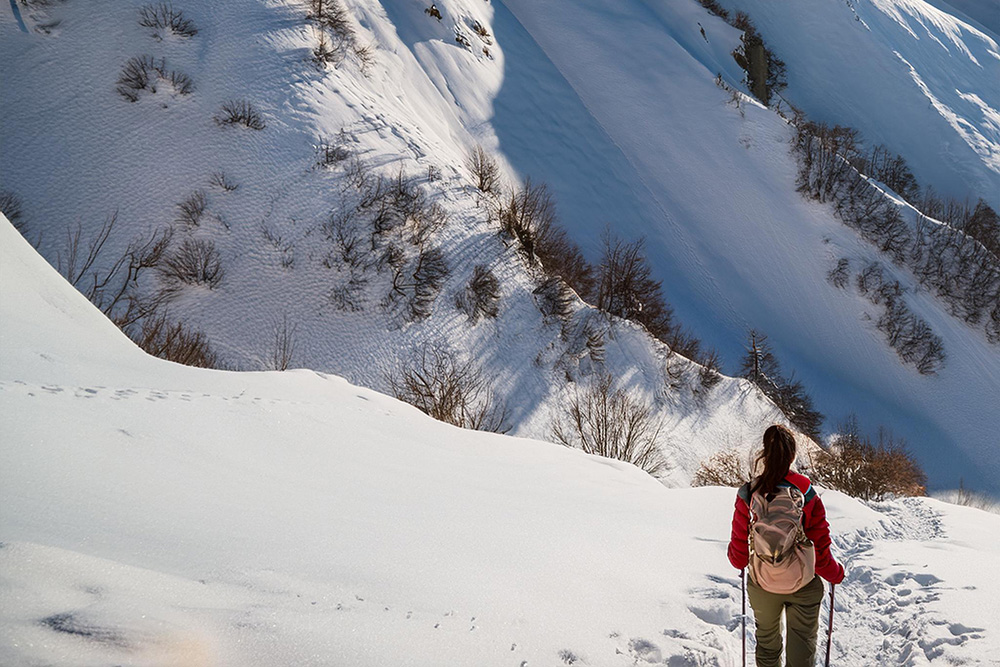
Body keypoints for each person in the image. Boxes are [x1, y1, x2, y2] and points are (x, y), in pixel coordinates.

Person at [728, 424, 845, 667]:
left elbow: (738, 558)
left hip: (763, 583)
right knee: (802, 650)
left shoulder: (749, 493)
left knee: (767, 646)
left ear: (764, 454)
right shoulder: (806, 493)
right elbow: (821, 551)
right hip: (802, 582)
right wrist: (836, 574)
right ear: (791, 456)